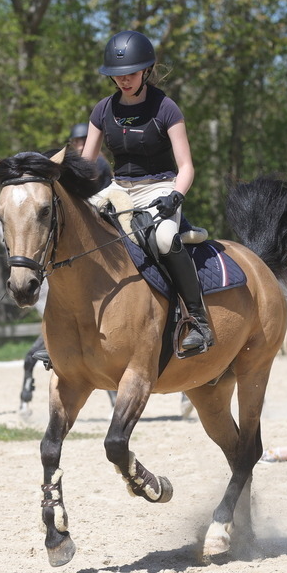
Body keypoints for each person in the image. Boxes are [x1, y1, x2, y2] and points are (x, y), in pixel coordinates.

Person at [80, 30, 213, 354]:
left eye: (130, 74)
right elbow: (86, 165)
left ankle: (198, 320)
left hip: (159, 187)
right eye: (118, 76)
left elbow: (186, 167)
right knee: (74, 233)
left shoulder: (165, 108)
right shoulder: (102, 110)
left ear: (146, 71)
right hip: (116, 188)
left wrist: (176, 196)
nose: (124, 81)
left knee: (165, 240)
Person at [68, 123, 112, 189]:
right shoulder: (84, 160)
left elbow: (84, 184)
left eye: (76, 141)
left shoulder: (98, 161)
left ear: (85, 141)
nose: (74, 144)